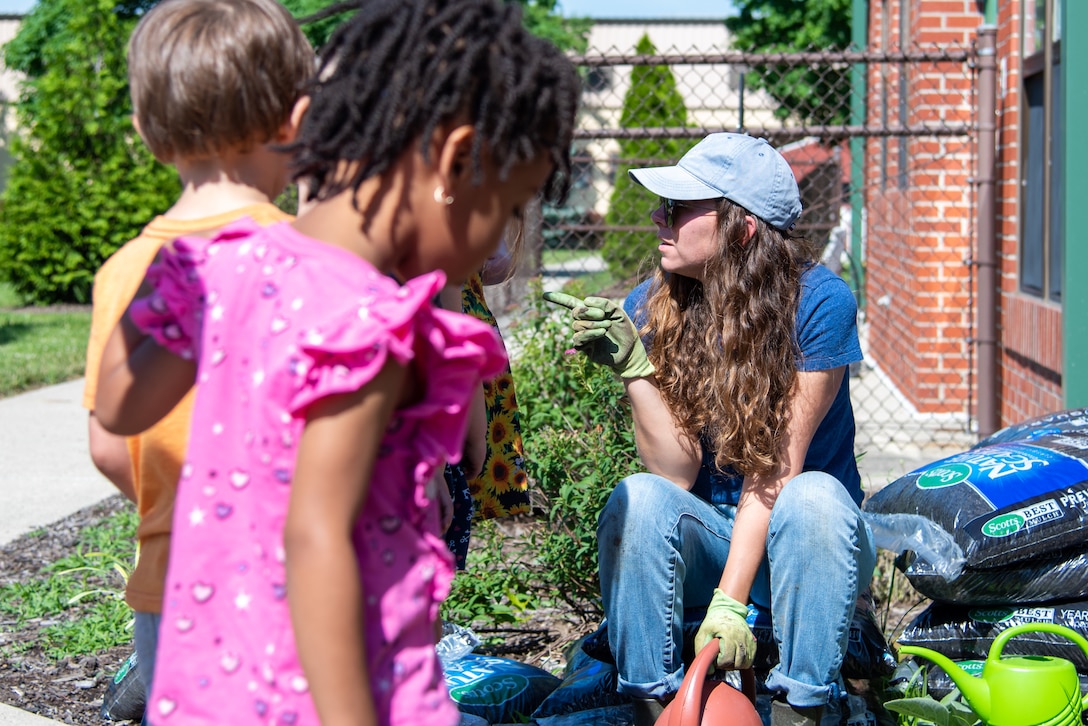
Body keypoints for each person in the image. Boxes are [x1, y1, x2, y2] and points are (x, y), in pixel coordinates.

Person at [93, 1, 580, 724]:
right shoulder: (365, 319)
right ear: (453, 166)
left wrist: (175, 280)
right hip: (341, 688)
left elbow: (119, 408)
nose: (493, 248)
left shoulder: (219, 267)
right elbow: (315, 535)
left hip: (215, 684)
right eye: (503, 208)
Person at [545, 133, 876, 726]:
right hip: (711, 532)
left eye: (677, 208)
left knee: (819, 498)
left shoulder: (820, 303)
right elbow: (674, 472)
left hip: (800, 543)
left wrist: (730, 603)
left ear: (740, 227)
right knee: (640, 497)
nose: (657, 217)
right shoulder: (658, 299)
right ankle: (656, 706)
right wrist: (634, 369)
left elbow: (778, 467)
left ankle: (804, 710)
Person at [81, 0, 314, 713]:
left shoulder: (126, 269)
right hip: (297, 588)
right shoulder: (313, 263)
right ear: (297, 124)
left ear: (147, 133)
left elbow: (109, 446)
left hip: (170, 583)